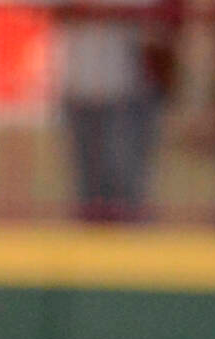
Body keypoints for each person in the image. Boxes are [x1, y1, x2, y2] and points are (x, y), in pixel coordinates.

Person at [59, 0, 164, 221]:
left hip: (125, 89)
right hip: (78, 84)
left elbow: (150, 11)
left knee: (124, 177)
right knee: (88, 182)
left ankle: (132, 241)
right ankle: (91, 245)